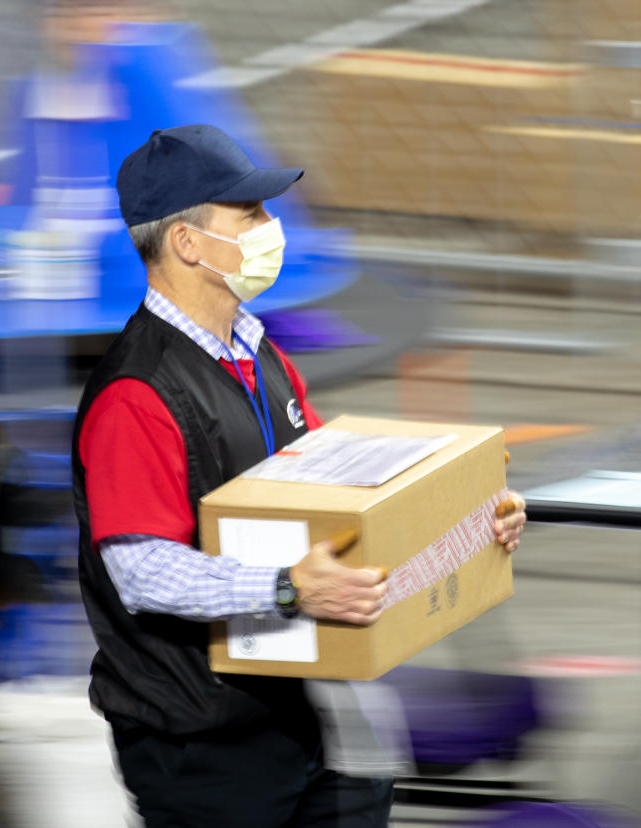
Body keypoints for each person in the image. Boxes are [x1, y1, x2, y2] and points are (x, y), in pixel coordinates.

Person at [72, 123, 528, 827]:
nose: (270, 228)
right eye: (248, 214)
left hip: (314, 711)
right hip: (205, 740)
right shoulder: (137, 394)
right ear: (188, 243)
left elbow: (332, 504)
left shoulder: (262, 357)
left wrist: (470, 519)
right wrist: (288, 588)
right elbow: (142, 572)